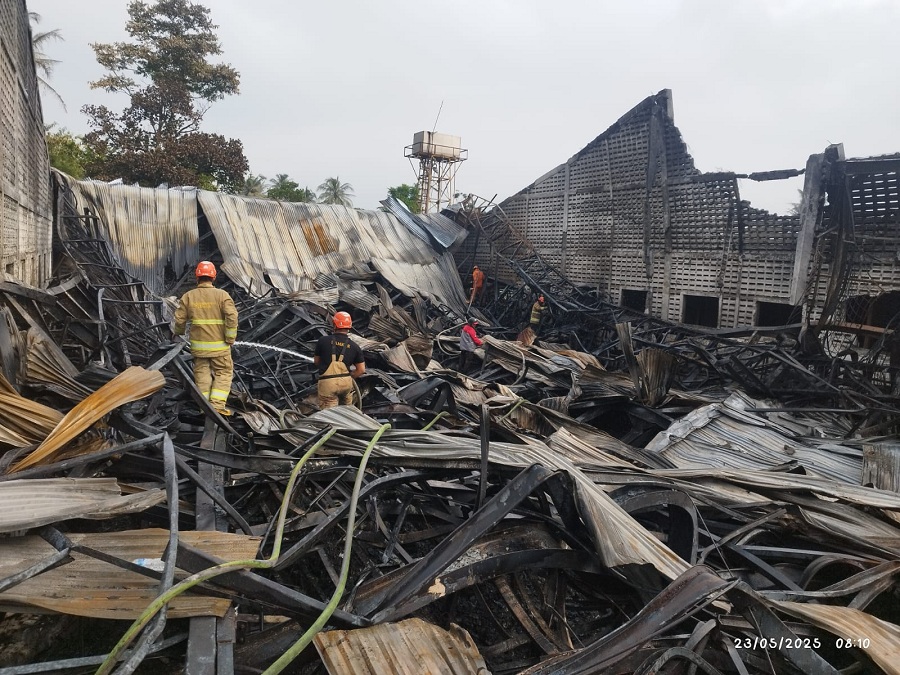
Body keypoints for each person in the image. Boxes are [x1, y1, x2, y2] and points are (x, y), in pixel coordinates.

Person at [173, 261, 238, 415]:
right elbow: (232, 316)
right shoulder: (222, 295)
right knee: (224, 372)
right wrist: (230, 338)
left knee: (202, 374)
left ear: (197, 277)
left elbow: (179, 320)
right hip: (220, 348)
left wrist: (178, 332)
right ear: (213, 277)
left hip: (199, 347)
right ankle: (217, 406)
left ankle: (204, 407)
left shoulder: (188, 296)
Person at [314, 311, 366, 409]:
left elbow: (316, 362)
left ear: (334, 325)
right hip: (346, 383)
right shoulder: (355, 346)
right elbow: (361, 370)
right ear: (349, 326)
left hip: (328, 383)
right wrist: (348, 377)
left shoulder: (323, 341)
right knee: (346, 411)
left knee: (330, 413)